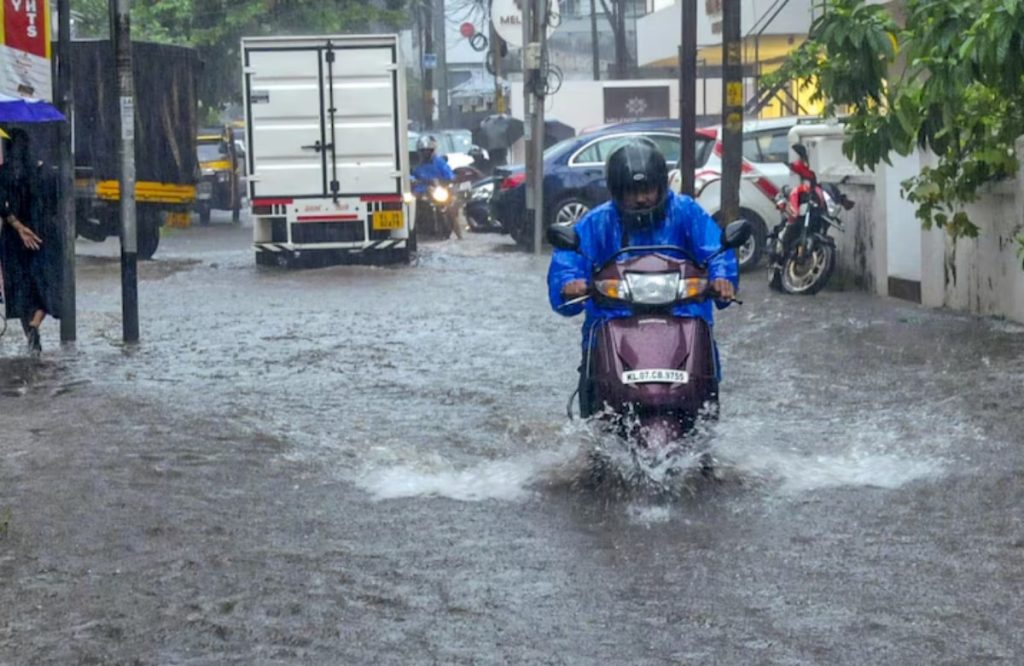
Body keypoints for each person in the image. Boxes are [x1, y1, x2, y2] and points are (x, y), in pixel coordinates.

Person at [546, 139, 738, 416]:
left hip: (683, 314)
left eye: (647, 189)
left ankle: (703, 420)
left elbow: (716, 248)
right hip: (613, 318)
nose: (641, 198)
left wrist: (722, 278)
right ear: (616, 192)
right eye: (631, 191)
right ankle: (593, 425)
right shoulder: (597, 221)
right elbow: (569, 259)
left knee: (705, 385)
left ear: (661, 185)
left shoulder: (686, 212)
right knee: (591, 385)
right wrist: (569, 283)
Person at [0, 127, 60, 355]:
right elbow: (54, 202)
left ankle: (30, 337)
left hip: (13, 239)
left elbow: (1, 205)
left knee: (20, 289)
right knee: (44, 285)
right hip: (41, 234)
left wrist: (18, 227)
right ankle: (34, 326)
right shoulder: (42, 172)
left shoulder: (4, 174)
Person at [410, 134, 462, 239]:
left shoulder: (439, 162)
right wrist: (413, 180)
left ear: (433, 150)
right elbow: (409, 176)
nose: (425, 153)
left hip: (438, 191)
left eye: (428, 150)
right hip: (421, 193)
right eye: (423, 151)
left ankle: (459, 236)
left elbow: (449, 174)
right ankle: (413, 231)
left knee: (451, 210)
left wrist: (451, 178)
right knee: (410, 207)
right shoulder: (415, 164)